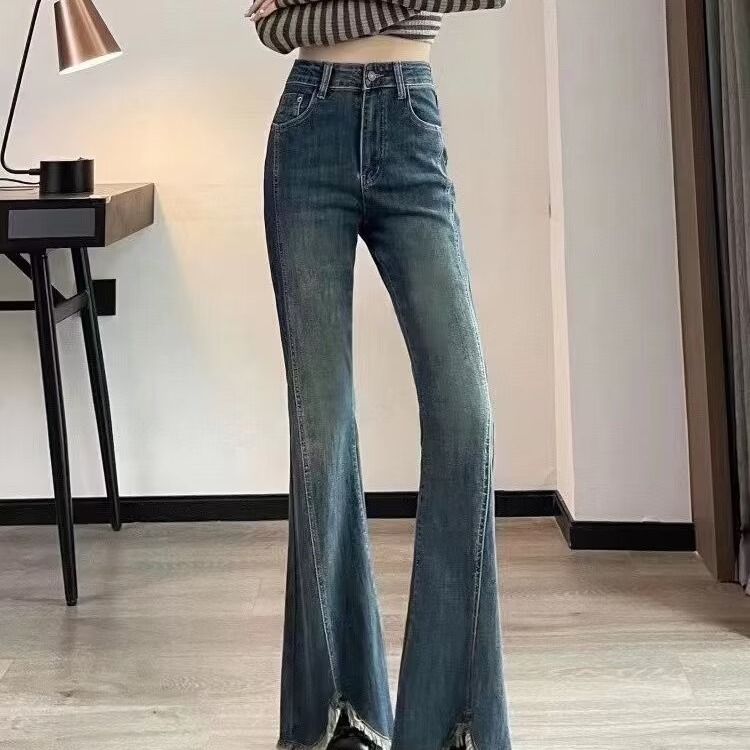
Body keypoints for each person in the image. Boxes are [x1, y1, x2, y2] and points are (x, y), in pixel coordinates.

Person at [247, 2, 512, 749]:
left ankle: (454, 722)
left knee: (466, 418)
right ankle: (338, 714)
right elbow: (273, 30)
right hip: (308, 132)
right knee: (322, 432)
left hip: (410, 124)